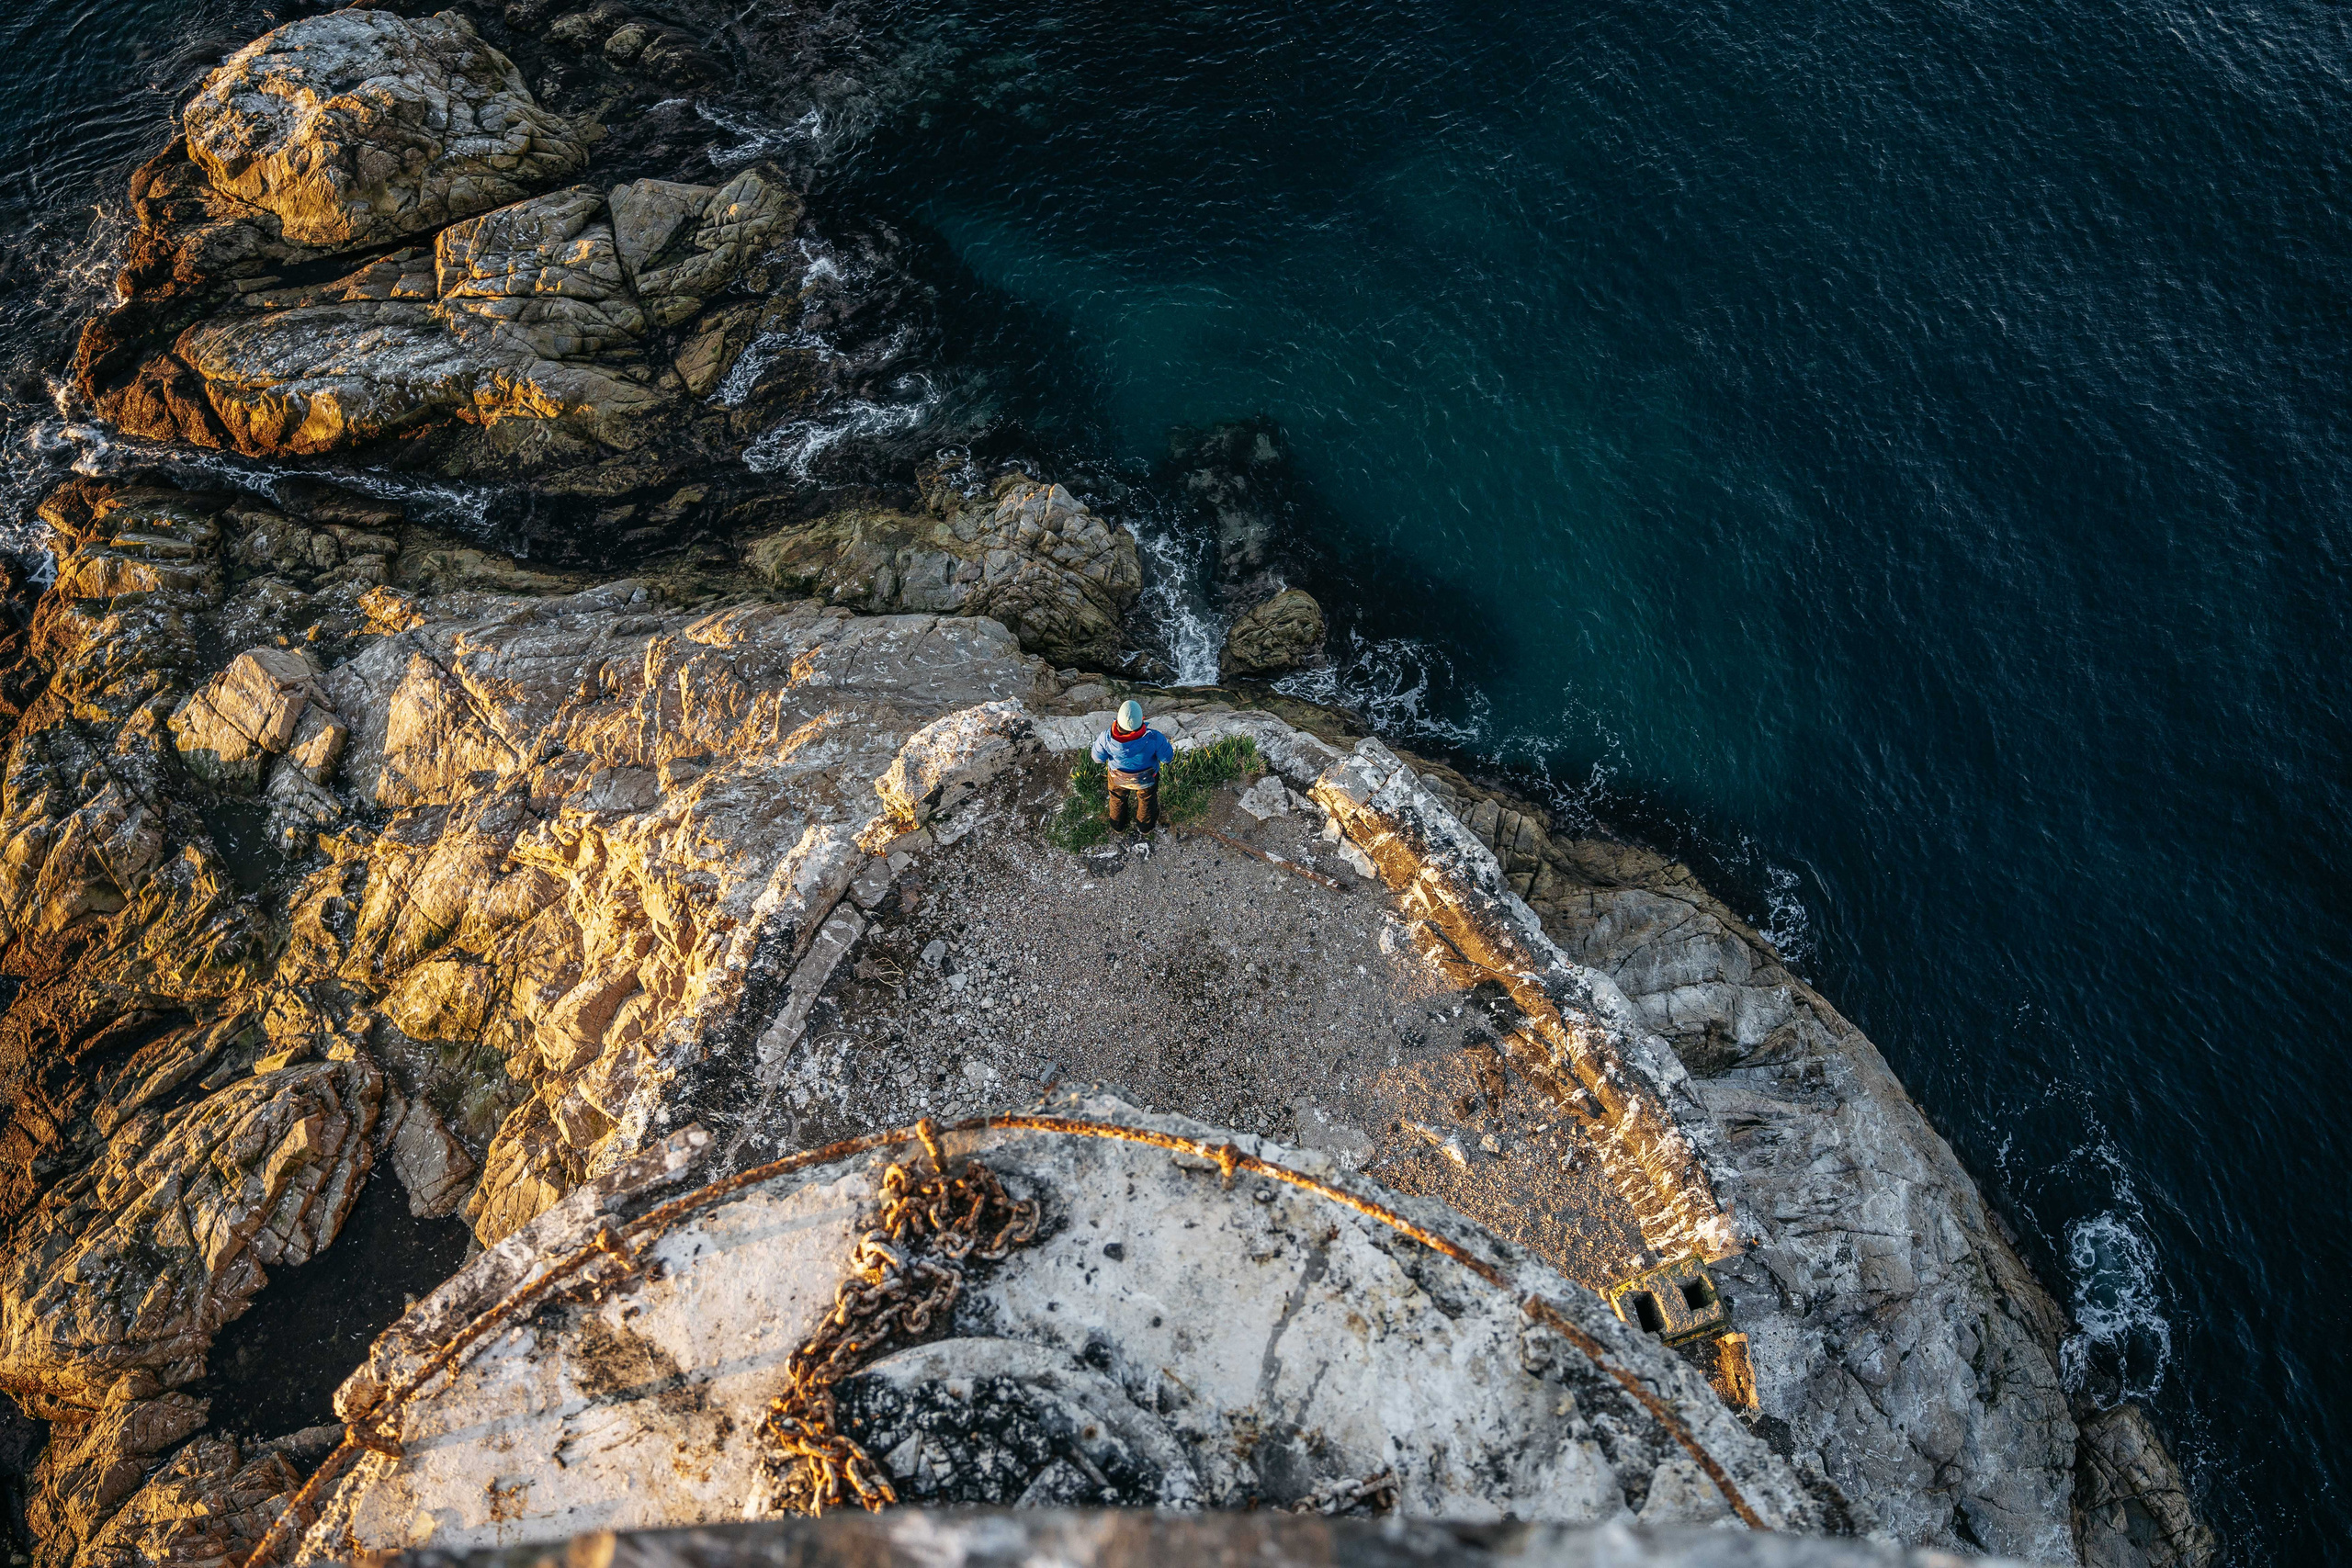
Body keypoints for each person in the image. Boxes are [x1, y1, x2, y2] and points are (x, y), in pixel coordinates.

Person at [1092, 699, 1176, 837]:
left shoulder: (1105, 738)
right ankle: (1145, 827)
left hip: (1117, 777)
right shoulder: (1155, 738)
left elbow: (1097, 759)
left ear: (1117, 721)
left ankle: (1118, 825)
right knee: (1147, 800)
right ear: (1142, 719)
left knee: (1117, 798)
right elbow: (1167, 758)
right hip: (1147, 778)